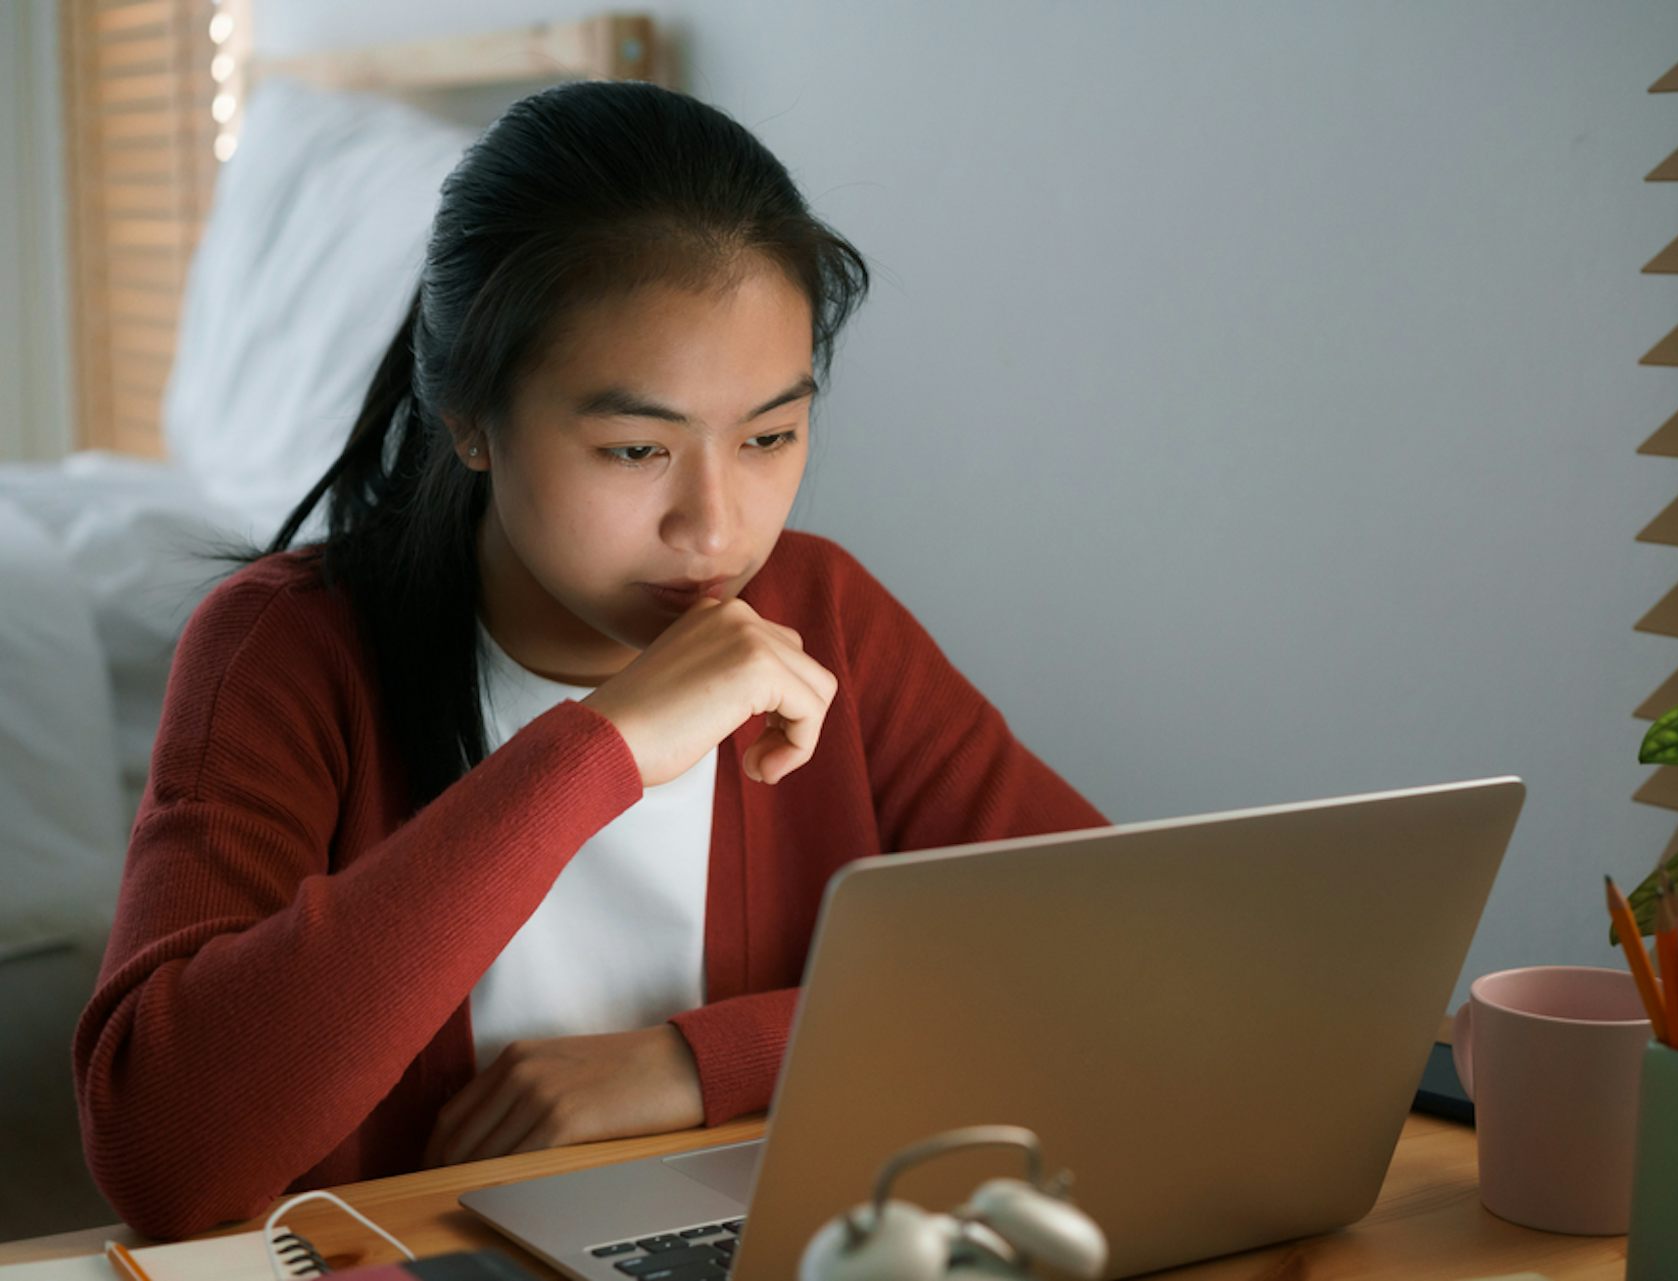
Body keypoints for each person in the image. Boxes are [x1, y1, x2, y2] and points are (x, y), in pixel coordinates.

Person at [72, 79, 1108, 1241]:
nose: (715, 529)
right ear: (471, 415)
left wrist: (698, 1065)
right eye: (632, 448)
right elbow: (166, 1155)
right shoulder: (286, 651)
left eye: (770, 436)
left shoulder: (825, 611)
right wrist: (600, 748)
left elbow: (1113, 952)